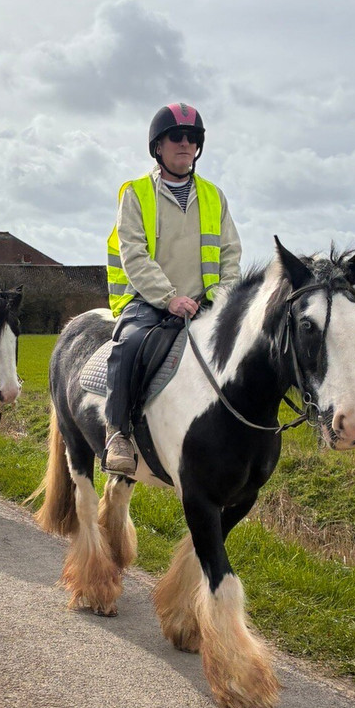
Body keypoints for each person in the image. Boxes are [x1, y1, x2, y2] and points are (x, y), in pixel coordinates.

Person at [103, 102, 243, 473]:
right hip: (149, 301)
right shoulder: (135, 194)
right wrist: (169, 298)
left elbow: (231, 254)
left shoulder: (214, 196)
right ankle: (117, 434)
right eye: (176, 137)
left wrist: (223, 299)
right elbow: (133, 253)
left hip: (206, 303)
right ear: (158, 147)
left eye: (192, 138)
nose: (185, 143)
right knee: (129, 344)